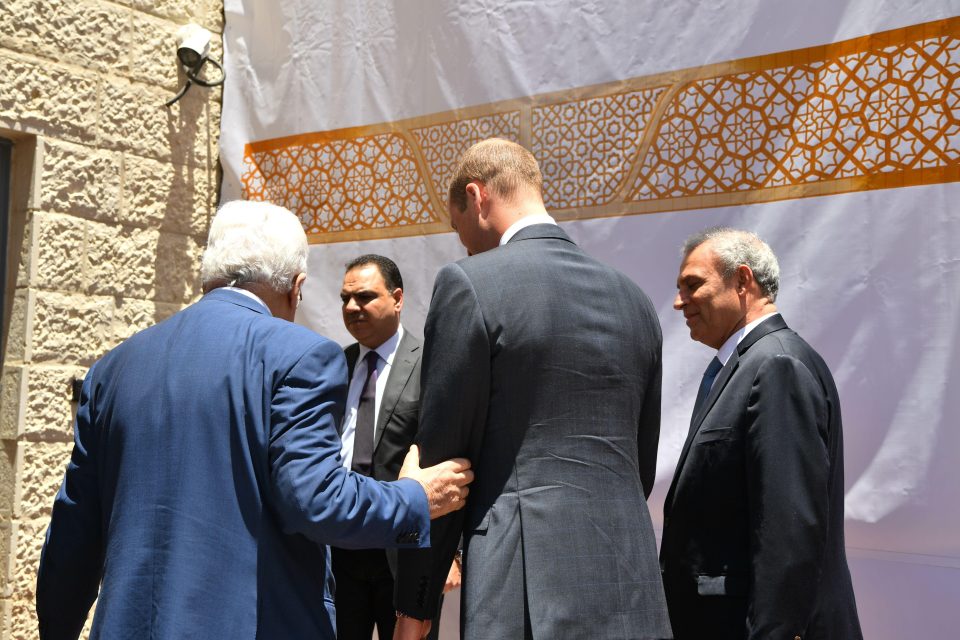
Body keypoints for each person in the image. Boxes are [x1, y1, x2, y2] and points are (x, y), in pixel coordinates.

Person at [35, 201, 473, 640]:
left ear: (210, 273)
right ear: (295, 287)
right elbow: (316, 498)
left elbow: (72, 535)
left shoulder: (113, 369)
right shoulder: (301, 355)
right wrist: (416, 498)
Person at [393, 138, 672, 640]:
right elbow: (640, 466)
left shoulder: (469, 283)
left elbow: (442, 468)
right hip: (632, 586)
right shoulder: (635, 301)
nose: (467, 248)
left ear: (477, 198)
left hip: (522, 589)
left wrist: (415, 610)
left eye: (461, 233)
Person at [659, 227, 862, 639]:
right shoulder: (746, 365)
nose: (680, 302)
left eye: (693, 285)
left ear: (742, 281)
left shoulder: (776, 366)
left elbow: (788, 529)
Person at [333, 255, 452, 640]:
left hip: (405, 554)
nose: (352, 308)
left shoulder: (432, 364)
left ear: (397, 299)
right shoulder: (335, 366)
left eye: (365, 297)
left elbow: (452, 457)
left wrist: (455, 553)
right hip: (340, 549)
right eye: (345, 298)